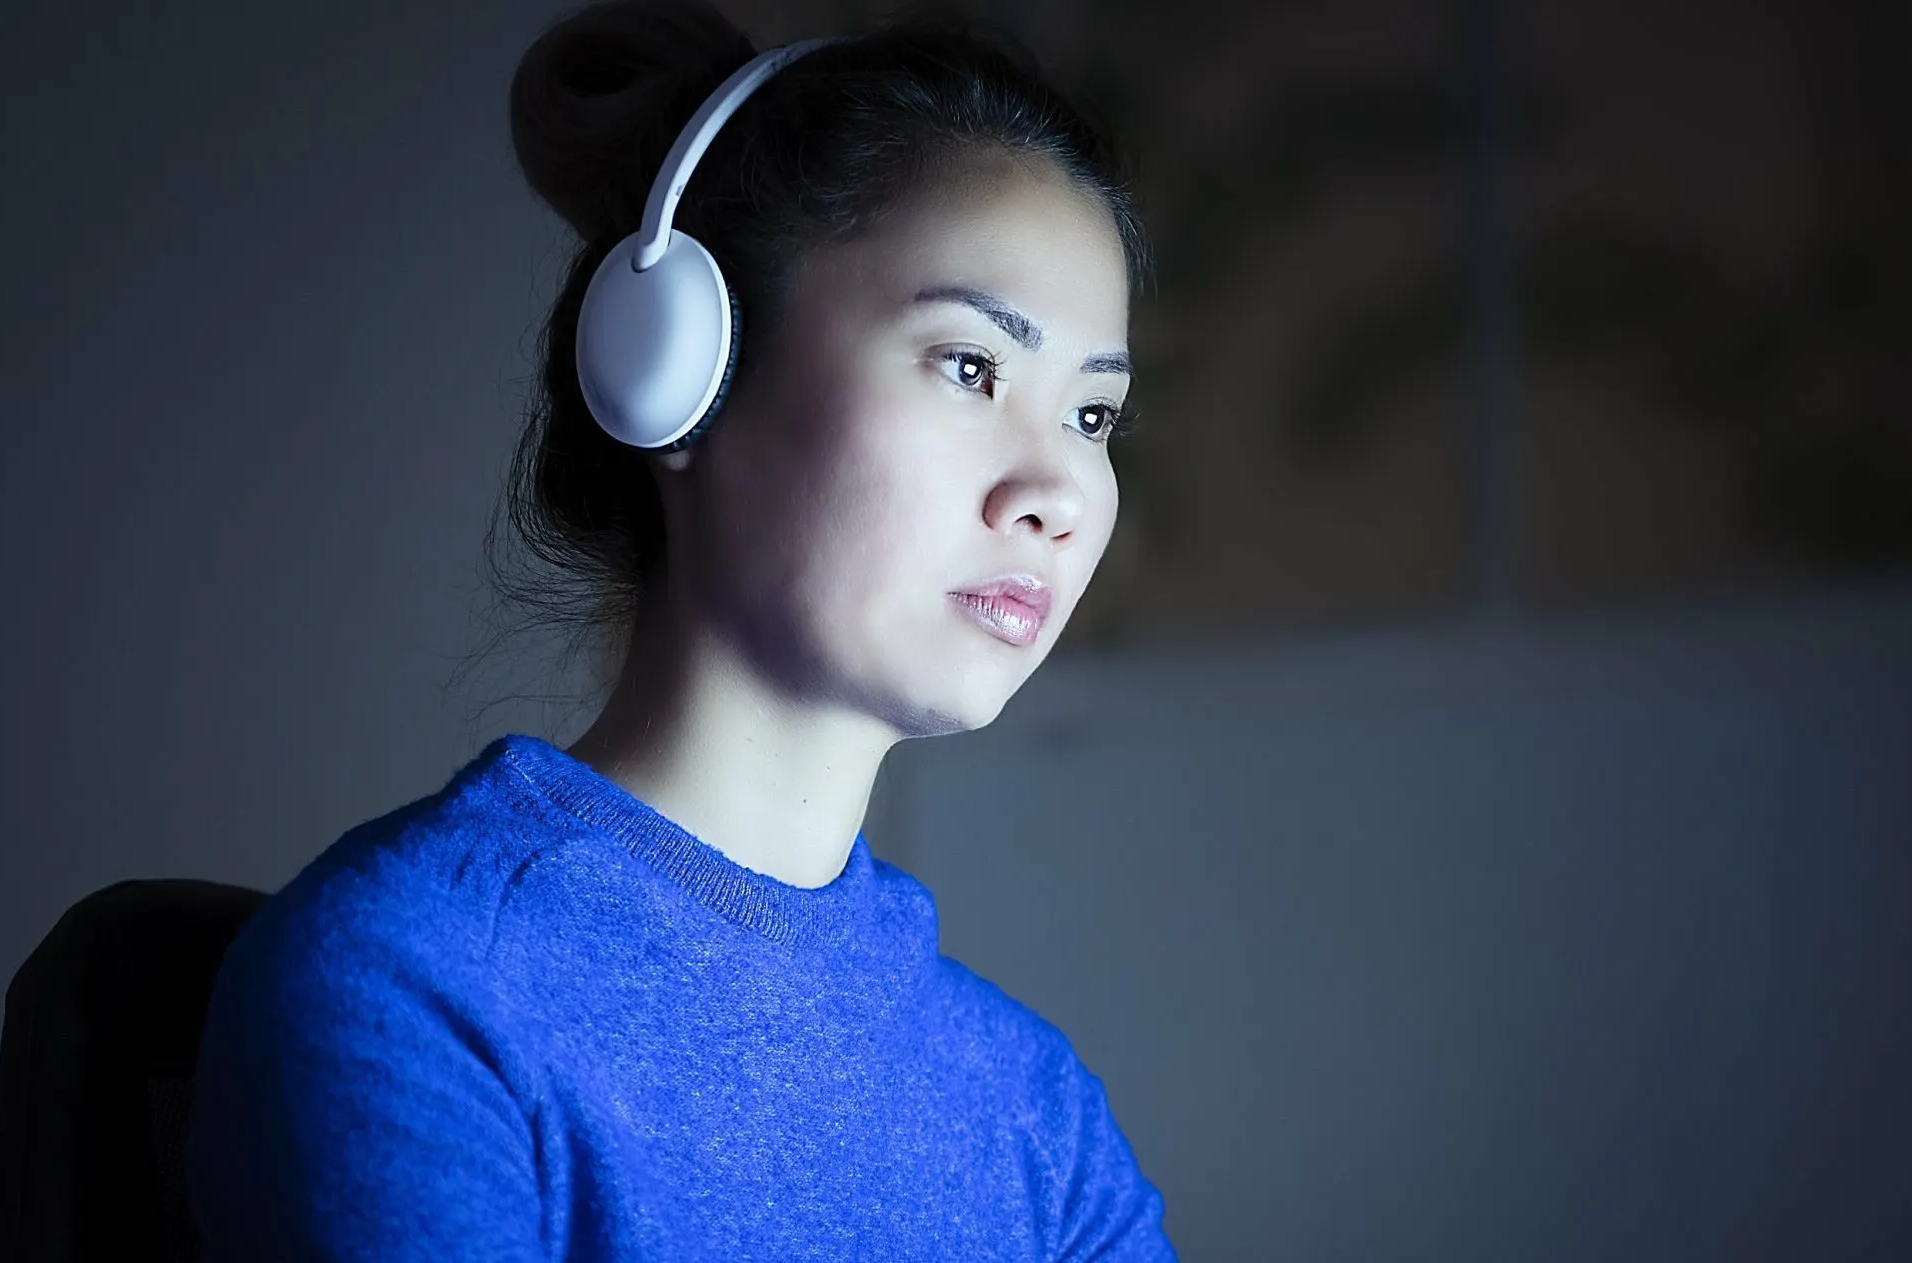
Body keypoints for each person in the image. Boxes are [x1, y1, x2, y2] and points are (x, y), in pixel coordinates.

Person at [180, 2, 1173, 1257]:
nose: (1058, 492)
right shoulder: (420, 984)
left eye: (1092, 418)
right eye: (970, 366)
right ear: (680, 369)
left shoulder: (1042, 1121)